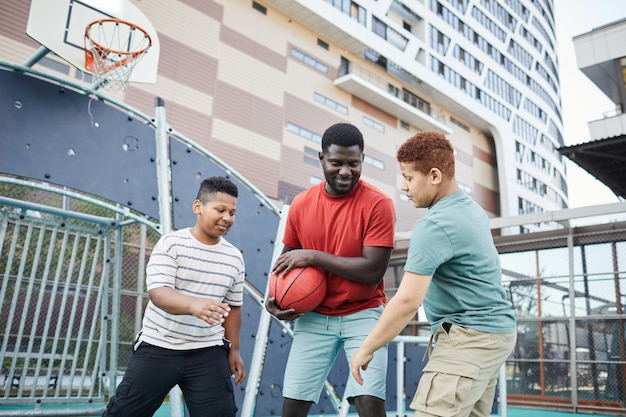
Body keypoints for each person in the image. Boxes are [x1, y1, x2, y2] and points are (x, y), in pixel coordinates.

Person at [350, 131, 517, 417]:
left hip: (469, 339)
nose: (403, 186)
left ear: (435, 176)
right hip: (496, 335)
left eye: (409, 178)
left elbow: (407, 301)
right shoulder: (472, 210)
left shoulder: (434, 225)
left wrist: (367, 347)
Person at [265, 122, 396, 417]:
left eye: (354, 163)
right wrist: (274, 299)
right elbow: (287, 263)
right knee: (293, 407)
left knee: (368, 401)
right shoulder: (301, 204)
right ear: (321, 158)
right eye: (337, 162)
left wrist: (313, 256)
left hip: (363, 312)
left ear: (362, 160)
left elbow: (372, 271)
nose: (346, 171)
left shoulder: (379, 204)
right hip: (314, 316)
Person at [103, 176, 246, 417]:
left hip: (207, 351)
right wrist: (193, 304)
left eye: (232, 213)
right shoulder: (171, 244)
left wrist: (234, 350)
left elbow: (233, 307)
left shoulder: (234, 257)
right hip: (159, 345)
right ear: (198, 207)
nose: (227, 218)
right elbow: (159, 293)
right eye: (220, 209)